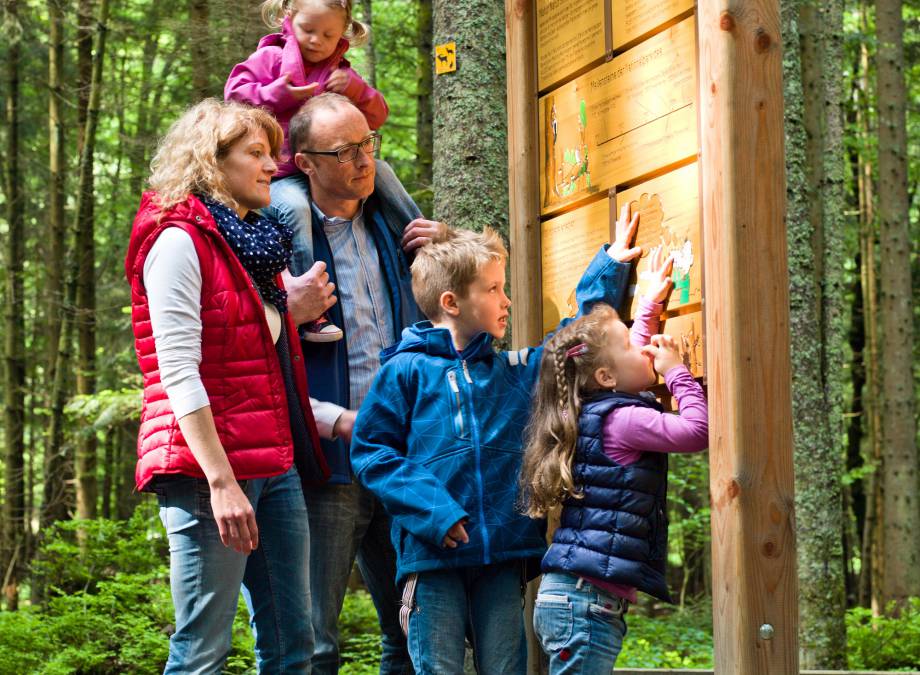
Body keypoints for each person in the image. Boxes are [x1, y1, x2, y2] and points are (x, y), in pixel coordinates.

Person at [349, 216, 641, 674]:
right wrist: (435, 513)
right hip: (432, 557)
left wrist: (610, 267)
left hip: (502, 557)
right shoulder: (403, 372)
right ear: (452, 302)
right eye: (493, 290)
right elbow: (372, 453)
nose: (506, 300)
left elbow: (571, 342)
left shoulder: (510, 371)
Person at [124, 98, 329, 673]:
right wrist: (221, 481)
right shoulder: (177, 242)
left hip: (271, 462)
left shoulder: (252, 246)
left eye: (273, 153)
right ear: (212, 164)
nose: (273, 167)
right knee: (203, 651)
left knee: (297, 647)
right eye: (256, 154)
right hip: (203, 472)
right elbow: (177, 371)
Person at [263, 92, 443, 675]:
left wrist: (445, 252)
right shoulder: (278, 244)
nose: (363, 160)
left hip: (407, 457)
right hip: (329, 463)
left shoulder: (395, 229)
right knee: (314, 641)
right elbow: (243, 349)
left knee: (414, 634)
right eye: (345, 151)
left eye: (368, 145)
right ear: (306, 163)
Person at [519, 246, 709, 673]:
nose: (644, 352)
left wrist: (648, 308)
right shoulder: (623, 420)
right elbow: (698, 431)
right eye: (631, 343)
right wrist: (677, 371)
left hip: (571, 596)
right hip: (587, 604)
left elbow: (627, 365)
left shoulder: (596, 408)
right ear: (605, 377)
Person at [226, 0, 388, 342]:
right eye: (308, 30)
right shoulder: (270, 60)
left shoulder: (341, 73)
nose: (316, 40)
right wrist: (276, 94)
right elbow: (234, 98)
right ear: (289, 20)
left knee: (381, 170)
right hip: (281, 173)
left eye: (328, 34)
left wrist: (357, 90)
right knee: (296, 209)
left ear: (342, 33)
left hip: (329, 167)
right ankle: (310, 306)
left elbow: (377, 115)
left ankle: (428, 245)